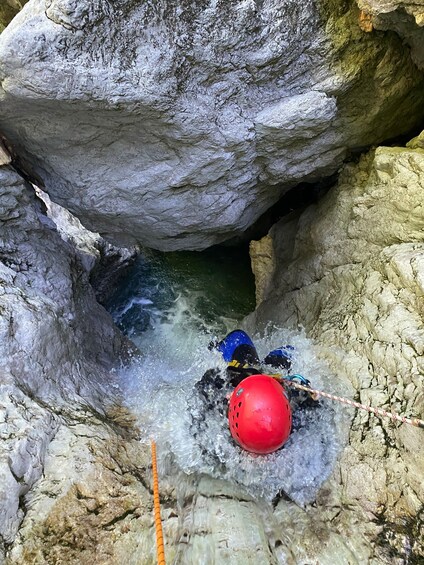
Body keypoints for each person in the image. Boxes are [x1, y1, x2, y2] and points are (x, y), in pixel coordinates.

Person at [192, 329, 319, 454]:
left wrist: (228, 378)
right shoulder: (294, 431)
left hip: (250, 382)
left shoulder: (215, 437)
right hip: (266, 382)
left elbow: (200, 394)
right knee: (289, 352)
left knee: (238, 337)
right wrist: (308, 395)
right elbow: (313, 411)